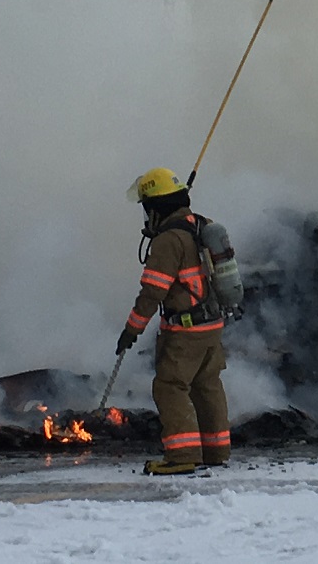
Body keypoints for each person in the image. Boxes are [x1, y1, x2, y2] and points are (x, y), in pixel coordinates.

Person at [117, 167, 230, 475]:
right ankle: (216, 451)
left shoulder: (169, 241)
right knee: (207, 385)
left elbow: (152, 293)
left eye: (146, 208)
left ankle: (182, 456)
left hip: (185, 331)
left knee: (170, 387)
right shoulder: (200, 226)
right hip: (211, 325)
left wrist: (132, 330)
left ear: (155, 207)